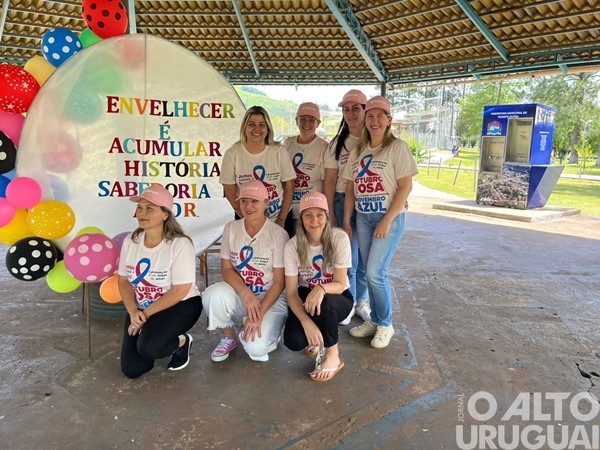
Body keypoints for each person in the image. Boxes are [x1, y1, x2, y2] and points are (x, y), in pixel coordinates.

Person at [342, 96, 418, 349]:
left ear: (389, 120)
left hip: (389, 217)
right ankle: (375, 320)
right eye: (370, 116)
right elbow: (351, 189)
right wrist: (347, 221)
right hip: (363, 218)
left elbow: (405, 187)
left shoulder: (397, 148)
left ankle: (385, 324)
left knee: (376, 272)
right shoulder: (358, 150)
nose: (374, 121)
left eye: (380, 116)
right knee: (367, 269)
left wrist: (387, 220)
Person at [118, 184, 203, 378]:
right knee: (132, 369)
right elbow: (123, 281)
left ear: (166, 214)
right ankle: (154, 336)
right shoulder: (131, 241)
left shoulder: (179, 244)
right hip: (143, 307)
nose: (142, 213)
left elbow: (180, 290)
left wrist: (144, 315)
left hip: (180, 304)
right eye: (140, 207)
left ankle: (182, 342)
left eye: (150, 208)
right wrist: (133, 312)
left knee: (149, 348)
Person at [202, 180, 289, 362]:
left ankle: (269, 332)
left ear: (266, 203)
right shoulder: (231, 228)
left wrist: (259, 314)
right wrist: (246, 293)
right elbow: (226, 269)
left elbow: (280, 282)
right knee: (212, 294)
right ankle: (229, 337)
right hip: (242, 295)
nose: (248, 206)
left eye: (254, 201)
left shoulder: (278, 234)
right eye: (244, 201)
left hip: (269, 297)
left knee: (256, 349)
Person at [283, 192, 353, 382]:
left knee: (325, 302)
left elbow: (340, 284)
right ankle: (317, 333)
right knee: (294, 341)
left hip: (337, 296)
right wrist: (307, 323)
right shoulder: (292, 246)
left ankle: (333, 355)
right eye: (308, 215)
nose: (314, 220)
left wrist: (321, 288)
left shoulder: (339, 238)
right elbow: (291, 293)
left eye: (319, 215)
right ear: (301, 219)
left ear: (327, 217)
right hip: (305, 295)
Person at [323, 89, 370, 325]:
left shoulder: (375, 140)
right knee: (347, 256)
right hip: (342, 201)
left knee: (366, 257)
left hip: (369, 202)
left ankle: (362, 301)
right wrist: (330, 212)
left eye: (355, 108)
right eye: (346, 109)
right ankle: (348, 302)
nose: (350, 114)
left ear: (365, 110)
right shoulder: (337, 144)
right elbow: (330, 180)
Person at [220, 105, 296, 229]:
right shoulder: (232, 154)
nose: (257, 129)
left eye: (262, 124)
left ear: (268, 128)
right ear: (244, 127)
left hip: (279, 217)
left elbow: (289, 187)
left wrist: (281, 219)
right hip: (246, 218)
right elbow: (229, 191)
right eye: (251, 124)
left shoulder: (279, 151)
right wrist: (247, 219)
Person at [284, 102, 328, 237]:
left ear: (318, 123)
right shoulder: (287, 144)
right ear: (296, 121)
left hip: (311, 214)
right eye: (302, 119)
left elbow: (327, 182)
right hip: (288, 211)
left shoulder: (324, 147)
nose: (306, 123)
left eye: (311, 120)